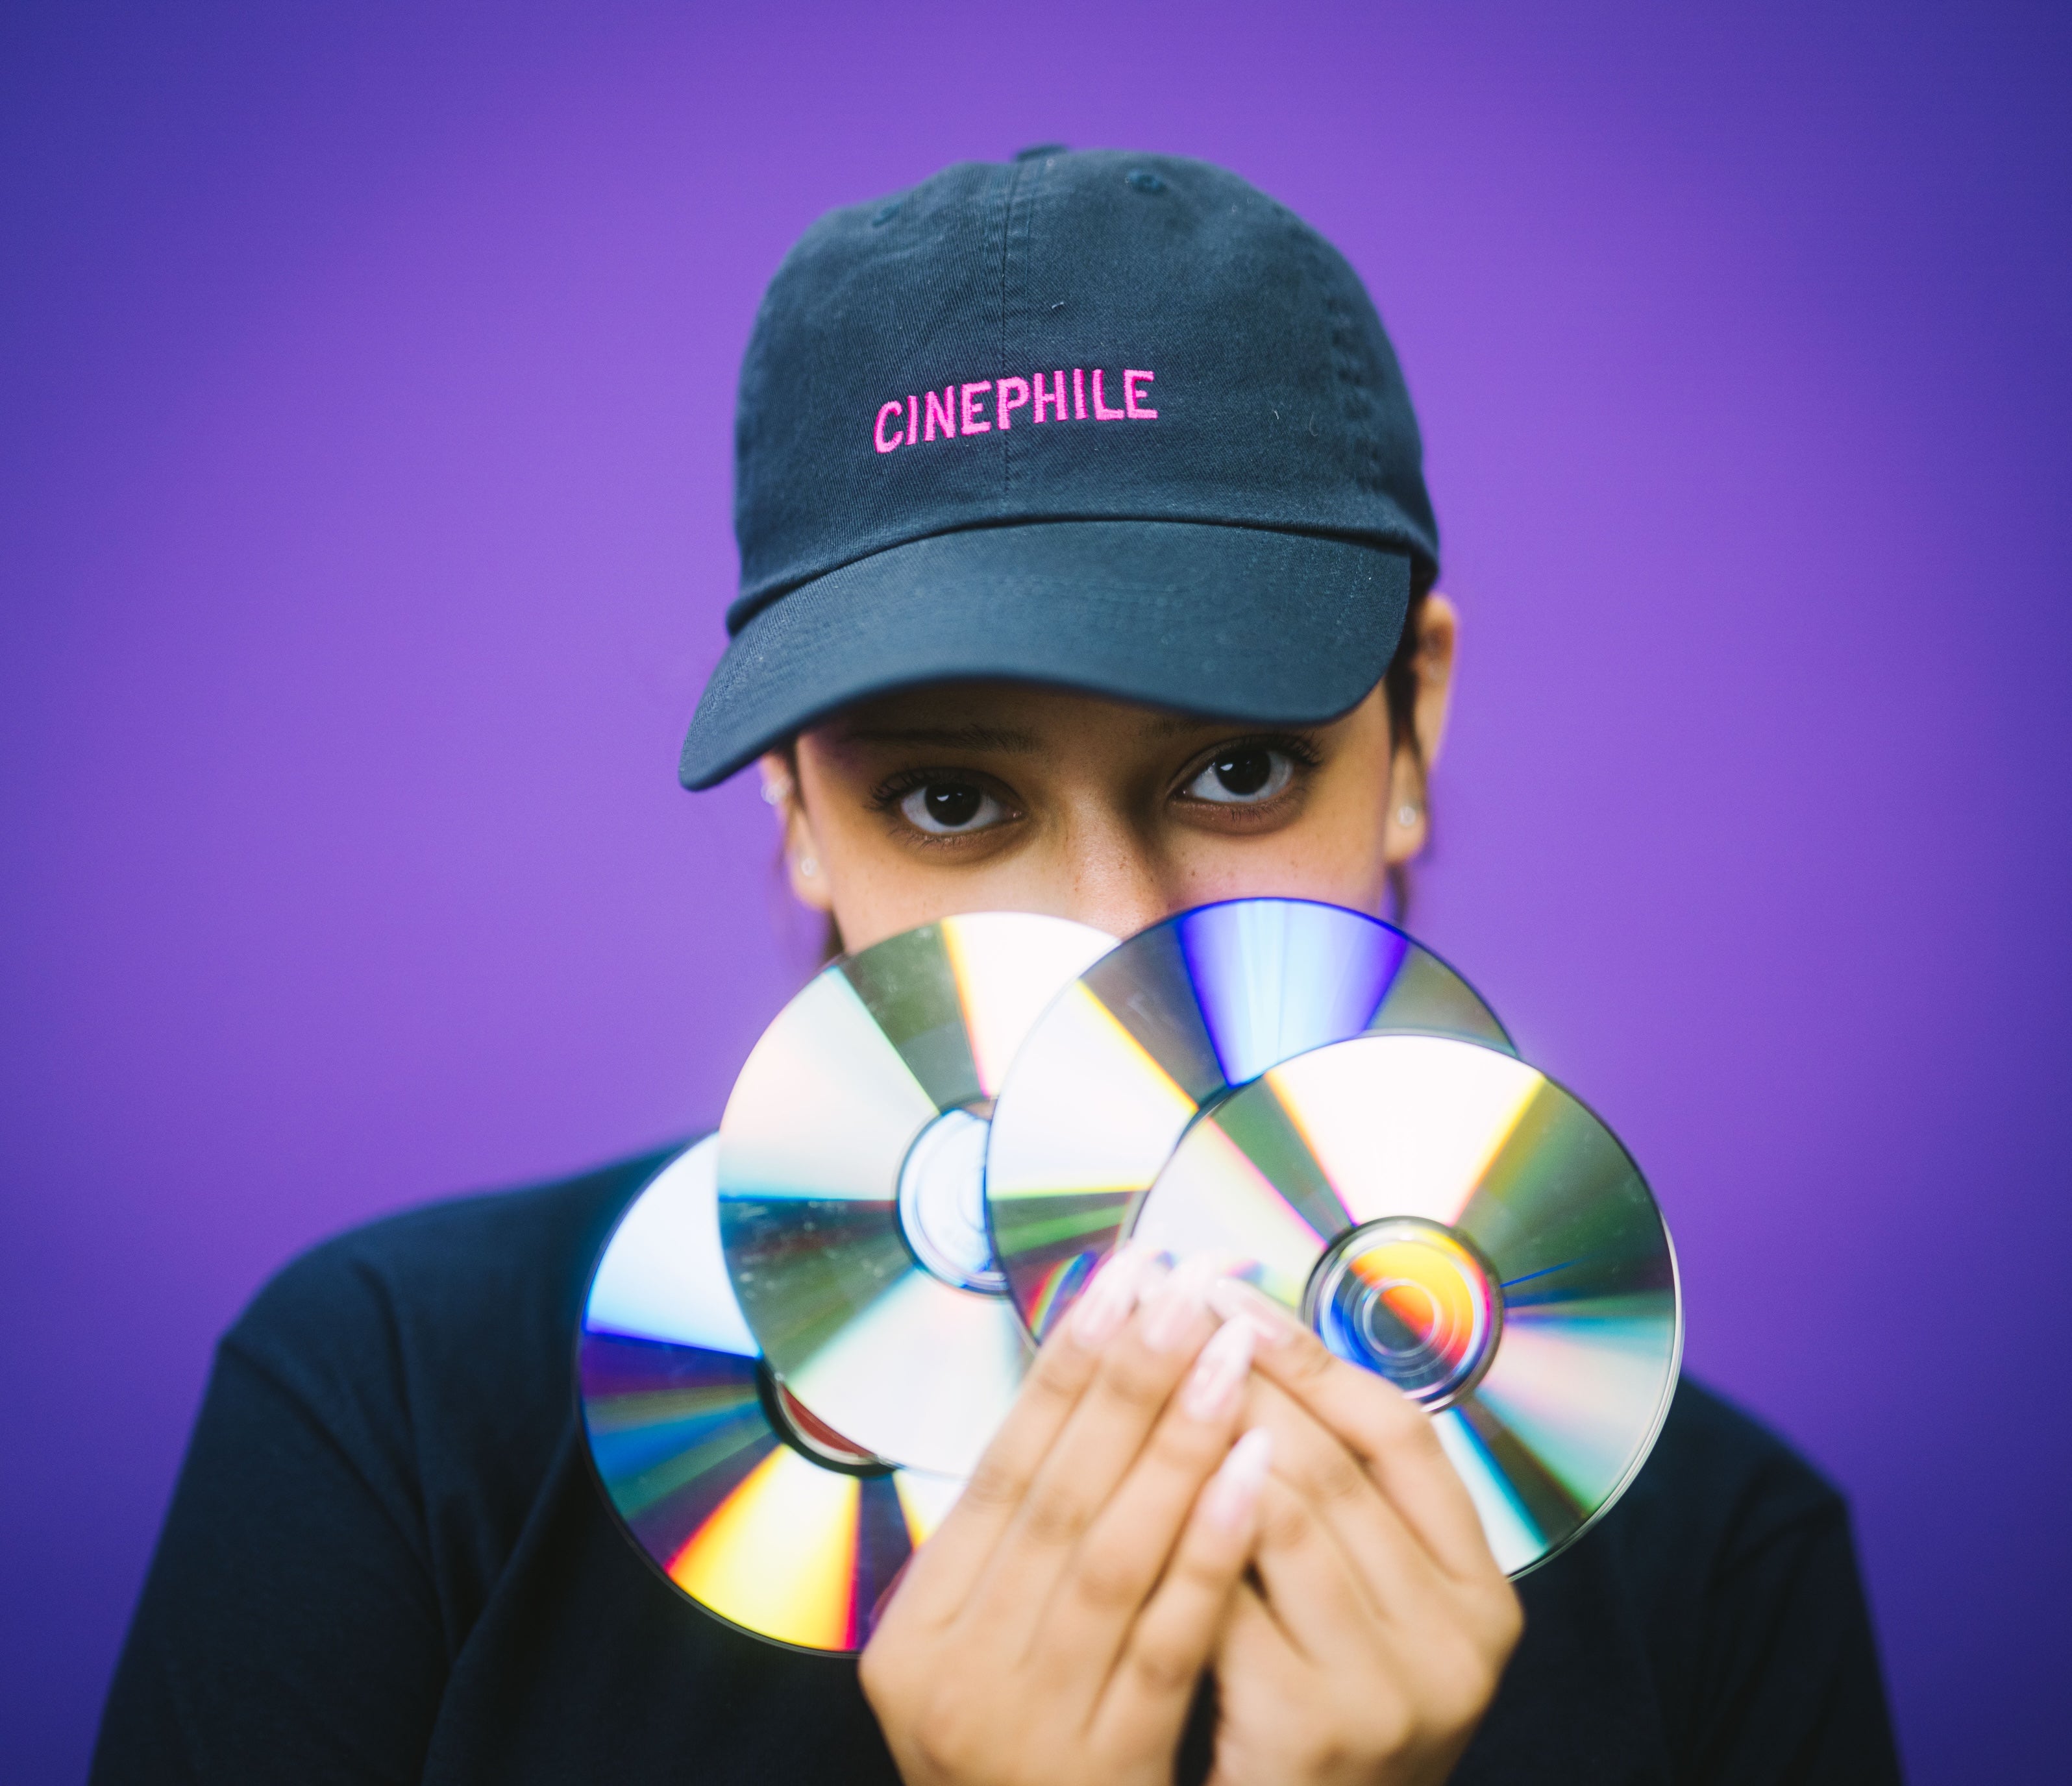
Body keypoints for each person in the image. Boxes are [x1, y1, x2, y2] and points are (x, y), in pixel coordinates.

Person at [93, 150, 1901, 1785]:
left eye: (1238, 770)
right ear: (801, 812)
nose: (1111, 947)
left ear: (1414, 726)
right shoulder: (397, 1419)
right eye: (953, 798)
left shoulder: (1723, 1571)